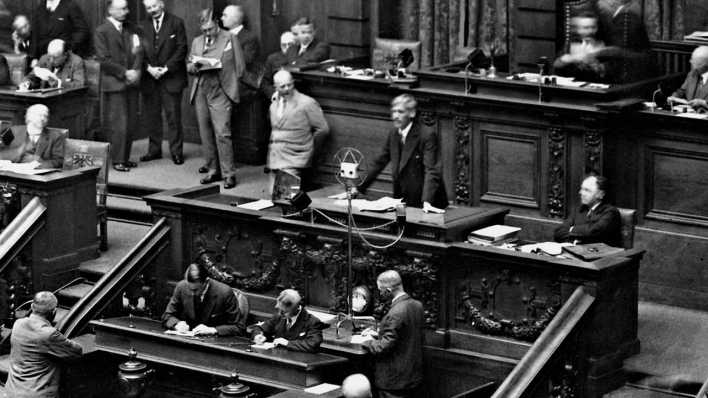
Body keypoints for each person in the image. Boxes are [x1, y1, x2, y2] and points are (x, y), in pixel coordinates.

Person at [352, 94, 446, 212]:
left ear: (412, 113)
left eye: (400, 112)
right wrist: (357, 188)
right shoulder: (394, 133)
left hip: (427, 202)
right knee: (399, 228)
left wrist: (427, 201)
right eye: (394, 111)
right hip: (402, 199)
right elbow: (379, 162)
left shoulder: (427, 135)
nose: (395, 116)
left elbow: (431, 169)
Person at [188, 8, 245, 189]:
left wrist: (230, 85)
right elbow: (189, 65)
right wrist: (194, 66)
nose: (207, 33)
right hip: (201, 89)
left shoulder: (229, 38)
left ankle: (229, 174)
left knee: (222, 133)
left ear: (217, 24)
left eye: (210, 29)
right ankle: (213, 170)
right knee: (205, 132)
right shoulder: (197, 41)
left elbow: (240, 67)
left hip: (221, 89)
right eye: (204, 30)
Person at [95, 0, 143, 172]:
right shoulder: (101, 31)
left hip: (131, 83)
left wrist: (136, 71)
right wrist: (125, 73)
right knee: (118, 124)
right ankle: (117, 160)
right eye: (122, 8)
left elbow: (138, 52)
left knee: (130, 122)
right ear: (110, 10)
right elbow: (103, 59)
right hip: (114, 84)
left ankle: (124, 157)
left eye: (126, 8)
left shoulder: (130, 29)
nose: (126, 11)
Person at [5, 291, 83, 398]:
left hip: (12, 392)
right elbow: (76, 352)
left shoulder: (18, 324)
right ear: (54, 312)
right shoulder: (49, 334)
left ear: (32, 306)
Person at [360, 270, 424, 398]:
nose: (379, 294)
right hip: (412, 374)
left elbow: (383, 347)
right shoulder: (417, 305)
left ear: (388, 291)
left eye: (380, 290)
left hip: (394, 380)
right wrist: (378, 334)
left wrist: (367, 342)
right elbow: (404, 335)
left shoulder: (396, 313)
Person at [139, 0, 188, 165]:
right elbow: (137, 52)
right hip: (150, 78)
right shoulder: (141, 26)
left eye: (154, 6)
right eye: (148, 8)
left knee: (173, 117)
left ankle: (176, 152)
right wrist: (148, 68)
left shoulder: (176, 23)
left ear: (161, 5)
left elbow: (182, 48)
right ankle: (154, 150)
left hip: (171, 78)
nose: (152, 10)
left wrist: (166, 69)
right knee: (152, 117)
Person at [266, 70, 329, 193]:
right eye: (282, 86)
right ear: (275, 87)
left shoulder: (307, 103)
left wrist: (309, 147)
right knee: (273, 196)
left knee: (285, 196)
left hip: (294, 157)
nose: (287, 89)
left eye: (289, 85)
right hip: (275, 157)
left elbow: (322, 129)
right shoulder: (274, 102)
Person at [162, 262, 246, 336]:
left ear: (206, 282)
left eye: (195, 290)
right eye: (189, 288)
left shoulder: (224, 292)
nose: (191, 293)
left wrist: (213, 330)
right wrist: (177, 324)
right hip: (187, 339)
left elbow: (238, 327)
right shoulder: (182, 287)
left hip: (214, 344)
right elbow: (167, 315)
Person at [554, 174, 622, 247]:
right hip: (574, 252)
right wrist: (576, 239)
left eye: (587, 190)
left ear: (601, 194)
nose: (581, 193)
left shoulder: (610, 212)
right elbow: (558, 232)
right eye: (582, 189)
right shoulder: (580, 209)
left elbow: (593, 232)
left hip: (599, 255)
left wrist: (571, 229)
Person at [251, 288, 326, 353]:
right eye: (279, 310)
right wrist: (258, 335)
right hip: (277, 358)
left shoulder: (312, 322)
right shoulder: (279, 316)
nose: (281, 314)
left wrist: (287, 343)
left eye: (284, 312)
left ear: (296, 308)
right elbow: (260, 327)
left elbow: (313, 344)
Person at [0, 104, 66, 169]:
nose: (42, 118)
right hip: (13, 172)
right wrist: (17, 152)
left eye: (45, 116)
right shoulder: (12, 131)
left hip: (39, 176)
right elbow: (1, 153)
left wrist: (39, 165)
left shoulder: (55, 136)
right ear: (29, 116)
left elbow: (59, 160)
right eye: (39, 115)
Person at [553, 12, 607, 82]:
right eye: (586, 28)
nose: (590, 31)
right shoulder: (570, 45)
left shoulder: (603, 45)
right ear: (578, 29)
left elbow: (606, 73)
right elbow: (556, 65)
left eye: (593, 27)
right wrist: (574, 58)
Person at [668, 46, 708, 112]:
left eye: (695, 62)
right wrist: (674, 97)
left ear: (705, 65)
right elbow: (682, 91)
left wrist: (703, 103)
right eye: (692, 59)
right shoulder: (692, 74)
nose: (690, 62)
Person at [262, 31, 296, 99]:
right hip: (278, 96)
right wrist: (273, 93)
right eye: (284, 45)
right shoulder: (272, 58)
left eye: (290, 44)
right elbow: (265, 82)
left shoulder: (302, 58)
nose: (287, 47)